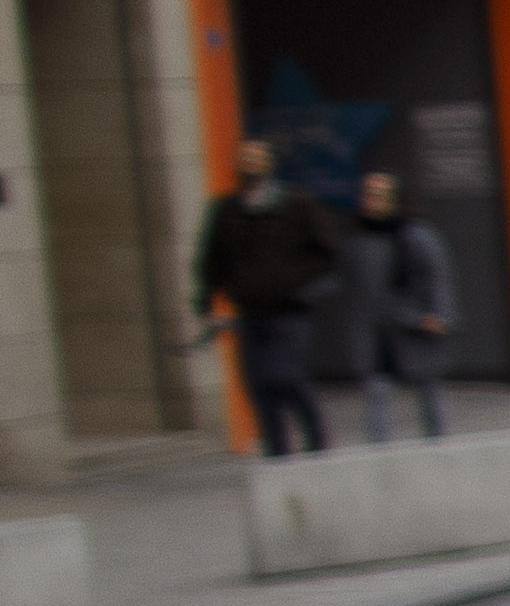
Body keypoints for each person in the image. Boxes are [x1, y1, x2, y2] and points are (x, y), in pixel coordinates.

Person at [189, 138, 339, 456]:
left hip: (290, 310)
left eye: (257, 159)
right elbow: (211, 262)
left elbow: (327, 253)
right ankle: (277, 453)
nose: (251, 165)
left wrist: (298, 283)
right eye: (245, 159)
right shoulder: (226, 210)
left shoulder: (296, 204)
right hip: (250, 314)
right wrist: (206, 303)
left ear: (269, 164)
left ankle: (317, 443)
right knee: (258, 385)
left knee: (286, 376)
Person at [338, 167, 456, 439]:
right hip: (377, 329)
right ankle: (381, 451)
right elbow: (352, 286)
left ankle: (438, 445)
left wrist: (439, 314)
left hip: (416, 323)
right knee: (376, 391)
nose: (372, 201)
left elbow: (437, 275)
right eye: (368, 194)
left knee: (427, 389)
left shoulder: (416, 235)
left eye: (380, 195)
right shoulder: (357, 240)